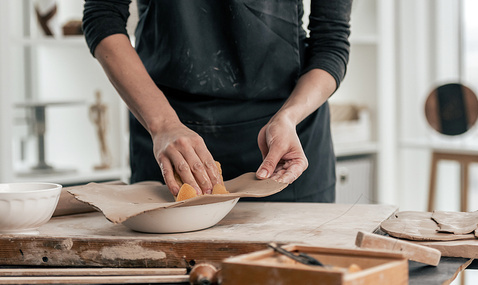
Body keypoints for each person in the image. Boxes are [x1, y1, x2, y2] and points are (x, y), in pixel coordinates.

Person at [82, 0, 351, 202]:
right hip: (169, 134)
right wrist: (163, 123)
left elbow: (330, 41)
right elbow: (104, 16)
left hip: (284, 138)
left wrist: (289, 117)